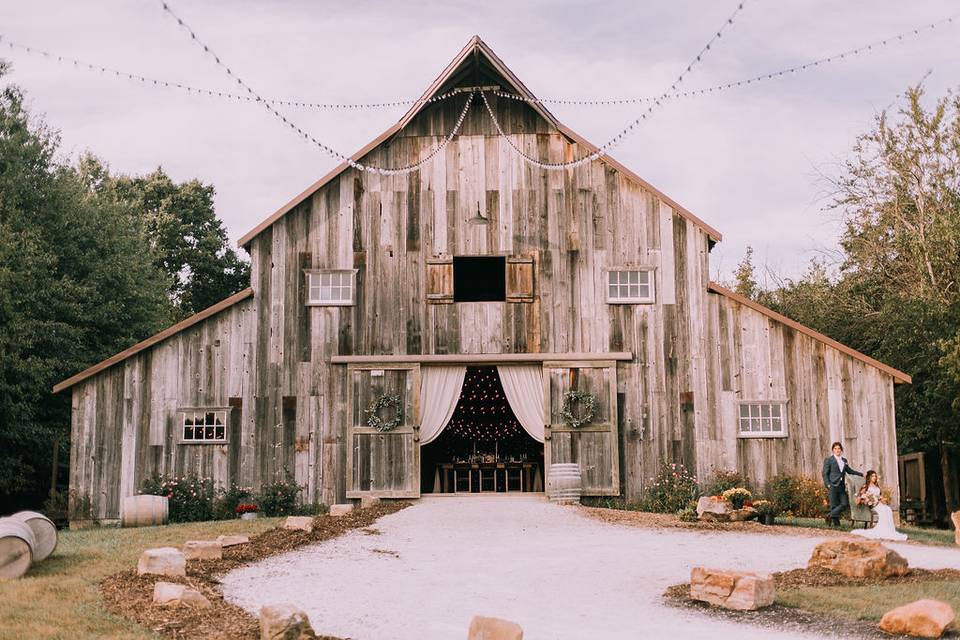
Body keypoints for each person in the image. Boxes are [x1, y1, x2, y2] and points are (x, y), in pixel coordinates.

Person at [850, 470, 908, 541]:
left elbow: (879, 496)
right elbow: (861, 496)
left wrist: (882, 499)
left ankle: (888, 530)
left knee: (888, 509)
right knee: (884, 510)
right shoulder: (866, 486)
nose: (874, 477)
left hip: (879, 503)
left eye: (875, 476)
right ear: (869, 477)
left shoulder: (877, 486)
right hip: (873, 505)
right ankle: (882, 530)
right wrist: (866, 499)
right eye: (872, 476)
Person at [821, 441, 863, 526]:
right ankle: (836, 524)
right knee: (834, 505)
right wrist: (828, 484)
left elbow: (849, 470)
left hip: (841, 486)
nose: (837, 450)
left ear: (841, 450)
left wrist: (860, 474)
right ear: (833, 450)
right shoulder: (829, 460)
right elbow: (825, 473)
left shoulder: (844, 460)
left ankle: (829, 516)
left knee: (844, 504)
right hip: (832, 485)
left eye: (839, 448)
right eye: (835, 448)